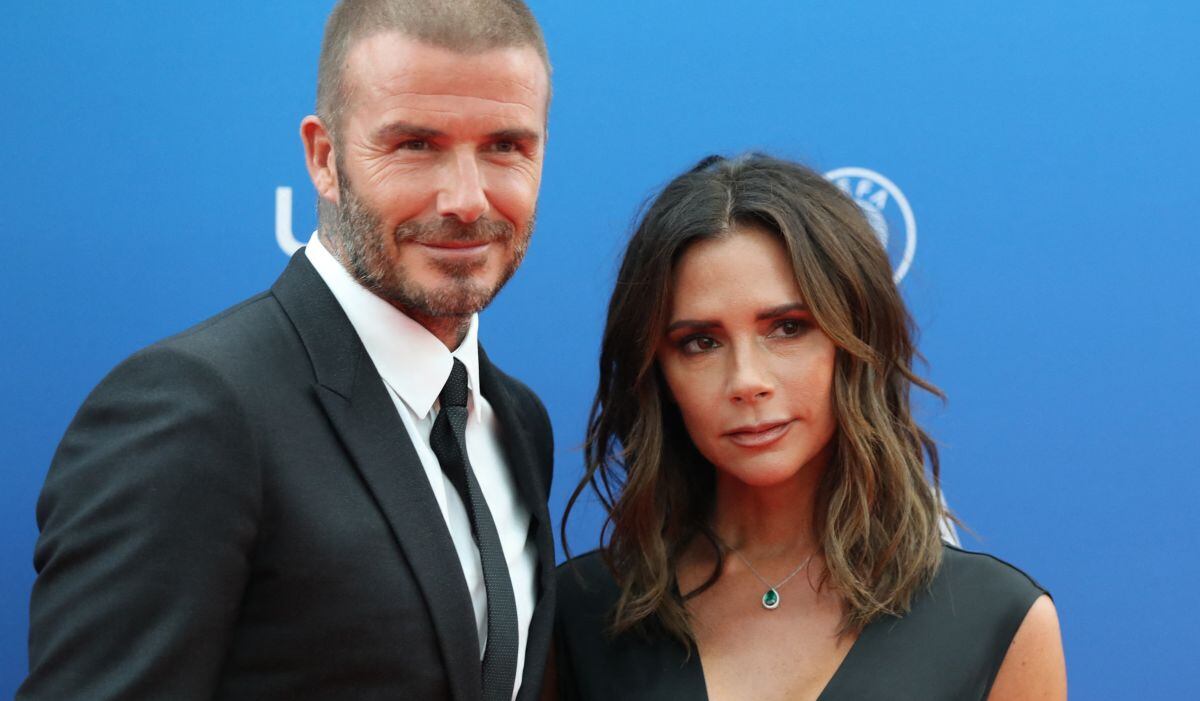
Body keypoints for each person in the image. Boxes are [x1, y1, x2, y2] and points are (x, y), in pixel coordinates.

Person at [20, 1, 555, 699]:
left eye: (505, 146)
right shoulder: (195, 410)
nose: (465, 197)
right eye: (415, 145)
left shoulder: (516, 421)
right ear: (324, 159)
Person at [554, 154, 1067, 700]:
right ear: (657, 372)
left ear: (854, 345)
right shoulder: (579, 613)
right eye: (700, 342)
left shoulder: (997, 620)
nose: (747, 381)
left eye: (787, 328)